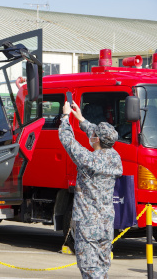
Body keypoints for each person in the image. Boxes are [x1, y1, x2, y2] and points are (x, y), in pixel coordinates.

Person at [59, 100, 122, 279]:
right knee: (102, 268)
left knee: (90, 270)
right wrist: (80, 119)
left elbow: (67, 139)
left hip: (87, 225)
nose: (91, 134)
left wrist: (65, 116)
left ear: (96, 139)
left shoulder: (89, 161)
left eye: (93, 133)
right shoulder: (115, 158)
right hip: (105, 225)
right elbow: (99, 136)